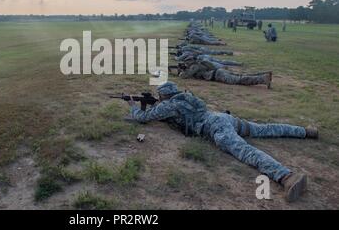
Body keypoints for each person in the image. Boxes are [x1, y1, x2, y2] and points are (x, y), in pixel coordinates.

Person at [126, 82, 318, 202]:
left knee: (245, 151)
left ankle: (286, 177)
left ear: (163, 96)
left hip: (216, 129)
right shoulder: (186, 98)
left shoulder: (168, 105)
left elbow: (144, 118)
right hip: (224, 118)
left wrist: (133, 106)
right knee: (265, 128)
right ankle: (306, 132)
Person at [177, 58, 272, 88]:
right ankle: (264, 74)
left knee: (239, 80)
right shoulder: (198, 64)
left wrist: (182, 70)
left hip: (218, 75)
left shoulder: (194, 66)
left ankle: (263, 79)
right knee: (241, 76)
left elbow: (184, 76)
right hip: (219, 72)